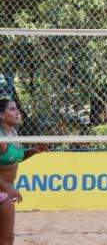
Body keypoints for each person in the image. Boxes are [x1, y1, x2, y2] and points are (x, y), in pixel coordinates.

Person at [0, 99, 47, 245]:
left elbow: (14, 158)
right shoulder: (1, 139)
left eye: (16, 109)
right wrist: (8, 188)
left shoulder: (13, 132)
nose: (17, 112)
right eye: (12, 109)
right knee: (7, 238)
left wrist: (33, 151)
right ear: (1, 115)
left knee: (6, 237)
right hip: (3, 191)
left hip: (6, 191)